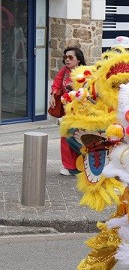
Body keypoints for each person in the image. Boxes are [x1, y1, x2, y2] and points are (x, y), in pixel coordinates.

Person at [51, 46, 86, 175]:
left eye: (71, 57)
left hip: (82, 112)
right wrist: (54, 95)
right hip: (67, 111)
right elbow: (56, 83)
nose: (67, 60)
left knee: (79, 137)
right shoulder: (64, 71)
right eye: (65, 57)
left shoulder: (85, 72)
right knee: (65, 138)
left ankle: (83, 164)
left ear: (78, 59)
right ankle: (69, 166)